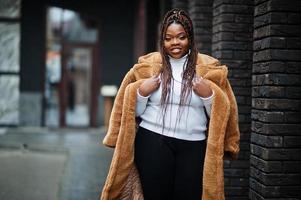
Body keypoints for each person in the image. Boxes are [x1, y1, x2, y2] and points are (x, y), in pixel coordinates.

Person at [101, 8, 240, 200]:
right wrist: (141, 92)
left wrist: (209, 96)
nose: (175, 43)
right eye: (168, 38)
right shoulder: (149, 67)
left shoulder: (208, 70)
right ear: (162, 41)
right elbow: (135, 113)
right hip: (152, 142)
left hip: (193, 146)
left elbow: (219, 114)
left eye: (181, 37)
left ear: (190, 38)